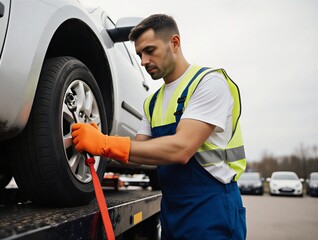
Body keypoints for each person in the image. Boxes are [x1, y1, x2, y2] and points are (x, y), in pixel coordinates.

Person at [72, 14, 246, 239]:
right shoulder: (152, 103)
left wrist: (106, 143)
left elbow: (181, 148)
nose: (143, 61)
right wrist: (99, 144)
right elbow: (137, 156)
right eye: (139, 55)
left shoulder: (209, 83)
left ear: (174, 43)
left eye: (150, 51)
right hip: (172, 208)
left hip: (212, 207)